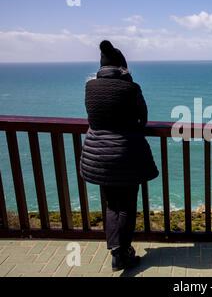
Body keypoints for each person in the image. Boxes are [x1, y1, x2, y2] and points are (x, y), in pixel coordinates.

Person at [80, 40, 159, 271]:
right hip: (125, 155)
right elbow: (142, 120)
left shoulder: (90, 87)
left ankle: (117, 250)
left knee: (112, 204)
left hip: (98, 156)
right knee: (126, 205)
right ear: (123, 67)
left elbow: (93, 119)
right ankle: (122, 253)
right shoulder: (130, 88)